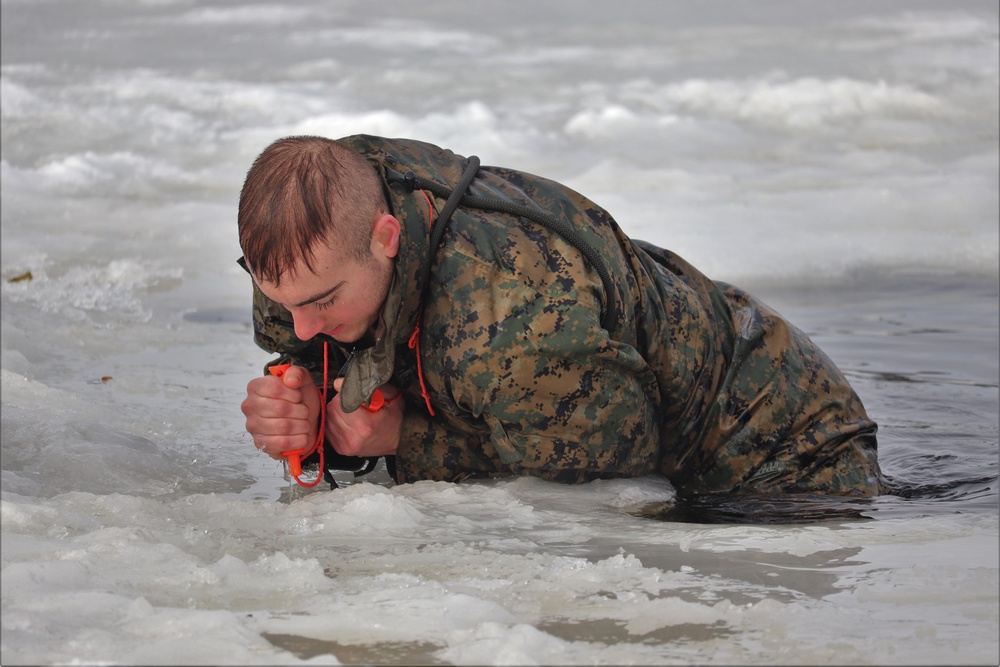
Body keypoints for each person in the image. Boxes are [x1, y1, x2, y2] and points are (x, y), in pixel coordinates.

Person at [238, 134, 885, 496]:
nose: (298, 323)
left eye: (321, 303)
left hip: (781, 454)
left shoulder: (513, 315)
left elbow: (611, 452)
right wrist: (310, 402)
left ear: (386, 237)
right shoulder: (312, 238)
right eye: (283, 301)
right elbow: (304, 343)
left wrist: (402, 440)